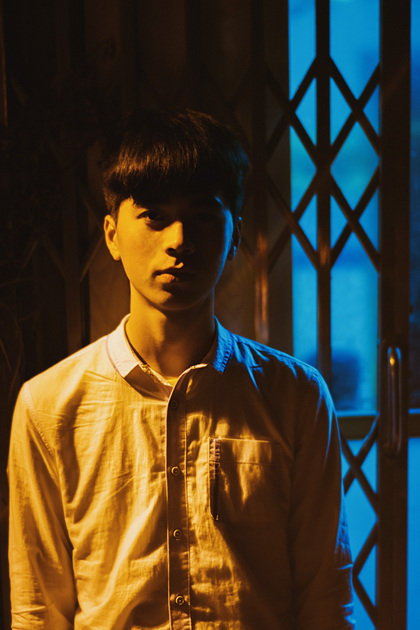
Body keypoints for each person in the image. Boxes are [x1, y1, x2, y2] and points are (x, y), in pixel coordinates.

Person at [8, 109, 354, 629]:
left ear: (234, 235)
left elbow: (325, 597)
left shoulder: (296, 397)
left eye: (202, 216)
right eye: (153, 216)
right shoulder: (49, 406)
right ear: (111, 234)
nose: (178, 240)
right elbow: (39, 608)